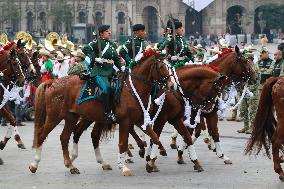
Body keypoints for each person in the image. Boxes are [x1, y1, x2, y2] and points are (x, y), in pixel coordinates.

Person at [82, 25, 124, 123]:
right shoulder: (97, 42)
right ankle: (107, 113)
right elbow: (85, 49)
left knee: (119, 87)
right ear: (101, 33)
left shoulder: (112, 45)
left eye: (109, 31)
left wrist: (121, 66)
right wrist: (95, 58)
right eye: (106, 31)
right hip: (99, 72)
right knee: (106, 88)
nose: (109, 32)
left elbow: (116, 59)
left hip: (110, 72)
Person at [238, 51, 260, 134]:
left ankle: (252, 127)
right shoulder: (245, 69)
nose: (246, 61)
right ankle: (245, 126)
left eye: (247, 60)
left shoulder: (255, 69)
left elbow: (256, 83)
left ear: (251, 60)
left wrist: (246, 90)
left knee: (252, 111)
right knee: (243, 110)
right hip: (244, 93)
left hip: (252, 94)